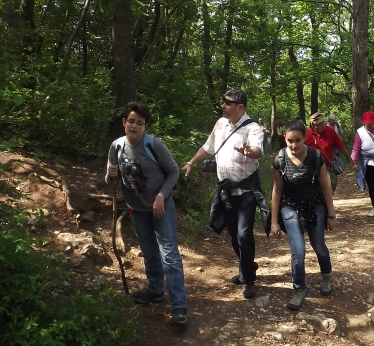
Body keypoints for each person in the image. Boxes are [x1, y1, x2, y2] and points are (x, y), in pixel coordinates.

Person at [105, 101, 188, 325]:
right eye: (131, 121)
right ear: (124, 123)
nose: (134, 126)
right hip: (137, 208)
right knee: (149, 251)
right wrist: (111, 175)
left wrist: (161, 196)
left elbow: (173, 173)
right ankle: (155, 290)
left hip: (161, 206)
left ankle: (179, 306)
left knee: (169, 254)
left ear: (145, 126)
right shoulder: (117, 147)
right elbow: (110, 181)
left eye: (139, 123)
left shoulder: (154, 145)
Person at [183, 89, 268, 299]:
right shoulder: (221, 124)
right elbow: (208, 147)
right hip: (226, 192)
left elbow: (259, 151)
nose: (223, 106)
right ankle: (248, 266)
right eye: (223, 101)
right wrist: (190, 163)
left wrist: (250, 152)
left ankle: (248, 280)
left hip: (247, 192)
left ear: (240, 107)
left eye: (227, 103)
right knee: (233, 236)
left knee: (244, 235)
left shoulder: (253, 128)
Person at [270, 119, 337, 311]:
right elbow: (277, 190)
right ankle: (299, 289)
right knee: (298, 251)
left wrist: (331, 215)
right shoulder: (280, 159)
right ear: (285, 138)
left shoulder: (316, 157)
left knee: (319, 247)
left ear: (305, 138)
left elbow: (325, 186)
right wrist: (274, 221)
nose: (293, 145)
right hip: (290, 207)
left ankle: (327, 275)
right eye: (290, 140)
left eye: (298, 140)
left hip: (315, 205)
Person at [305, 112, 354, 194]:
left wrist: (350, 160)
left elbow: (340, 146)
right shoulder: (307, 135)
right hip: (313, 168)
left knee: (331, 187)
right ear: (313, 125)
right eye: (320, 124)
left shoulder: (330, 131)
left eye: (323, 122)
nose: (323, 125)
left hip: (328, 166)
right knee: (317, 191)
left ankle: (327, 203)